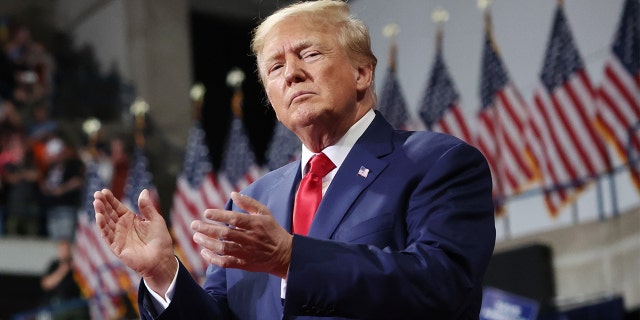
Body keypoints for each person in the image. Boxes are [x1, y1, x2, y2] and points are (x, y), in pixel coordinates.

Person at [93, 1, 496, 319]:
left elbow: (443, 286)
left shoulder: (437, 163)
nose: (291, 74)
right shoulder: (252, 201)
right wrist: (164, 274)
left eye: (310, 53)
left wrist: (290, 258)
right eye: (275, 67)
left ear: (362, 72)